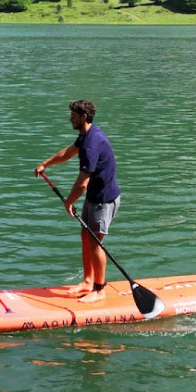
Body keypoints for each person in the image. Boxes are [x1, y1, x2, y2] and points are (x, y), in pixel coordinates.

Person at [34, 100, 121, 303]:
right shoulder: (85, 135)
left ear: (84, 117)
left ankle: (100, 290)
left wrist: (68, 202)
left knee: (95, 243)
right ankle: (88, 281)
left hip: (104, 200)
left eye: (73, 115)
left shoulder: (92, 143)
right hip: (93, 196)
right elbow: (68, 152)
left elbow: (82, 183)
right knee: (85, 237)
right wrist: (45, 164)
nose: (70, 118)